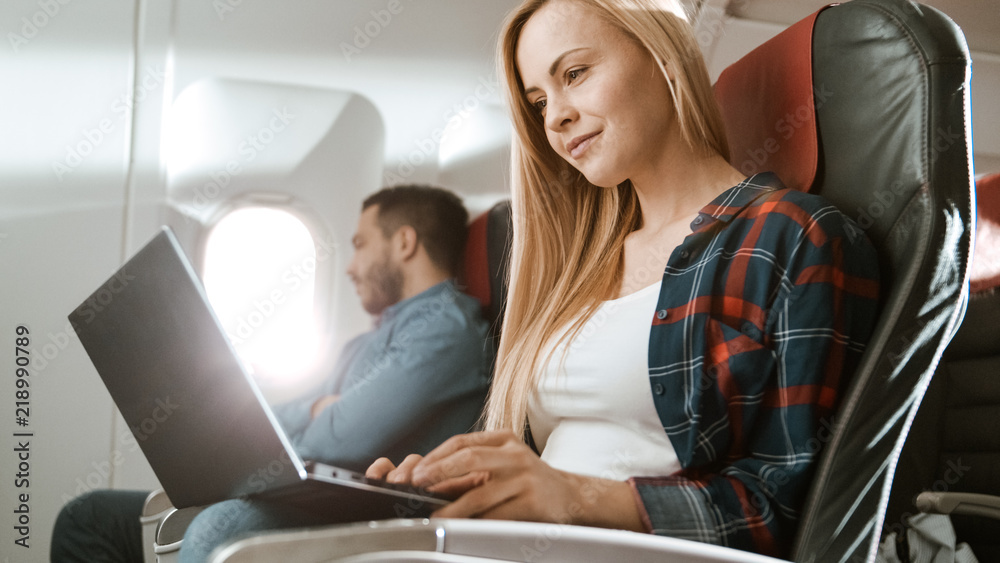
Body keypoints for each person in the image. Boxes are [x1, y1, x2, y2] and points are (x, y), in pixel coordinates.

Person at [366, 0, 881, 559]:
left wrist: (573, 496)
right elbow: (566, 465)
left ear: (663, 55)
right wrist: (464, 485)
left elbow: (788, 511)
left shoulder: (792, 237)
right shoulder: (582, 267)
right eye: (540, 101)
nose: (554, 117)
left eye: (575, 74)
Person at [51, 185, 493, 562]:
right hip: (313, 495)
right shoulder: (366, 342)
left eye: (359, 244)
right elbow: (274, 426)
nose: (349, 266)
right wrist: (319, 407)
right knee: (87, 518)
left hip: (373, 511)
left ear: (404, 242)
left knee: (218, 528)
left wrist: (307, 427)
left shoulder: (446, 330)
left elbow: (335, 441)